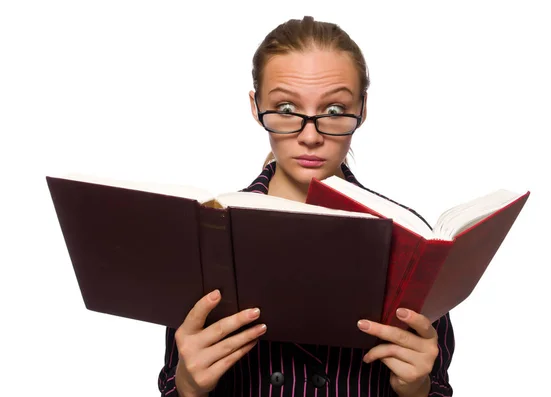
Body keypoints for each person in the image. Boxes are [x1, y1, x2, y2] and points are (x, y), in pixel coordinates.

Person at [158, 16, 455, 397]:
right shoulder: (210, 232)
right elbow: (173, 382)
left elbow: (439, 386)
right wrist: (187, 387)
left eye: (333, 110)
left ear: (361, 109)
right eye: (285, 107)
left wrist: (417, 388)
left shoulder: (411, 237)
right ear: (255, 106)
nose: (310, 136)